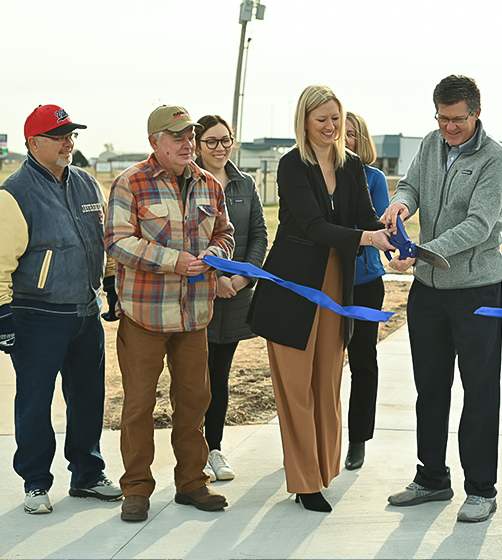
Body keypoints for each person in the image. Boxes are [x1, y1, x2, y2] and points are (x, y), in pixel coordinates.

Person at [248, 85, 392, 513]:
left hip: (336, 284)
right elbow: (311, 226)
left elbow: (365, 216)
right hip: (293, 287)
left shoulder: (350, 167)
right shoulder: (291, 164)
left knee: (327, 383)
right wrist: (367, 237)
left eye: (335, 119)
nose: (330, 127)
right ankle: (305, 482)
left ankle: (323, 471)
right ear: (304, 123)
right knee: (295, 387)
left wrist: (389, 239)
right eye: (321, 120)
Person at [382, 75, 502, 523]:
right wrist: (400, 204)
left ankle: (481, 489)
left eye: (457, 119)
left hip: (476, 292)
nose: (449, 127)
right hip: (428, 293)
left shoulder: (496, 158)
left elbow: (480, 224)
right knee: (430, 389)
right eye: (442, 118)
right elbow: (410, 186)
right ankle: (432, 478)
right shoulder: (431, 143)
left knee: (478, 393)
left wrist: (423, 252)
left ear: (477, 113)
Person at [105, 105, 234, 522]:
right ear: (154, 142)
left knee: (195, 400)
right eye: (177, 136)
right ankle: (137, 489)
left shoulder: (209, 184)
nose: (188, 143)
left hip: (195, 316)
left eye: (190, 136)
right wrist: (172, 261)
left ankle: (192, 482)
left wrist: (215, 254)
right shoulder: (131, 183)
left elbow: (224, 234)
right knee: (140, 405)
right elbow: (117, 241)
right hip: (144, 316)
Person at [0, 104, 123, 514]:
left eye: (71, 134)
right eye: (59, 135)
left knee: (88, 398)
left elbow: (103, 241)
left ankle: (87, 474)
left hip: (86, 312)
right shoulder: (14, 193)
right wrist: (3, 317)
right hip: (37, 317)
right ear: (34, 143)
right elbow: (1, 264)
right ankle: (35, 482)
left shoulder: (87, 184)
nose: (69, 141)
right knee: (35, 402)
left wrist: (110, 287)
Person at [194, 115, 267, 482]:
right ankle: (192, 454)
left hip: (236, 297)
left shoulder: (245, 183)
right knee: (195, 380)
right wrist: (216, 277)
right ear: (197, 144)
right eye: (211, 141)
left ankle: (214, 450)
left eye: (226, 140)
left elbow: (258, 235)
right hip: (198, 297)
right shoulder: (187, 183)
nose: (220, 148)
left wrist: (242, 277)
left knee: (219, 377)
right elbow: (186, 240)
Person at [343, 111, 390, 470]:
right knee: (321, 365)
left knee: (362, 362)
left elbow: (368, 223)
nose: (342, 140)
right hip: (323, 285)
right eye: (336, 133)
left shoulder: (372, 178)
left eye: (351, 135)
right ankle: (315, 435)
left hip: (364, 282)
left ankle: (358, 438)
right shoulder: (315, 176)